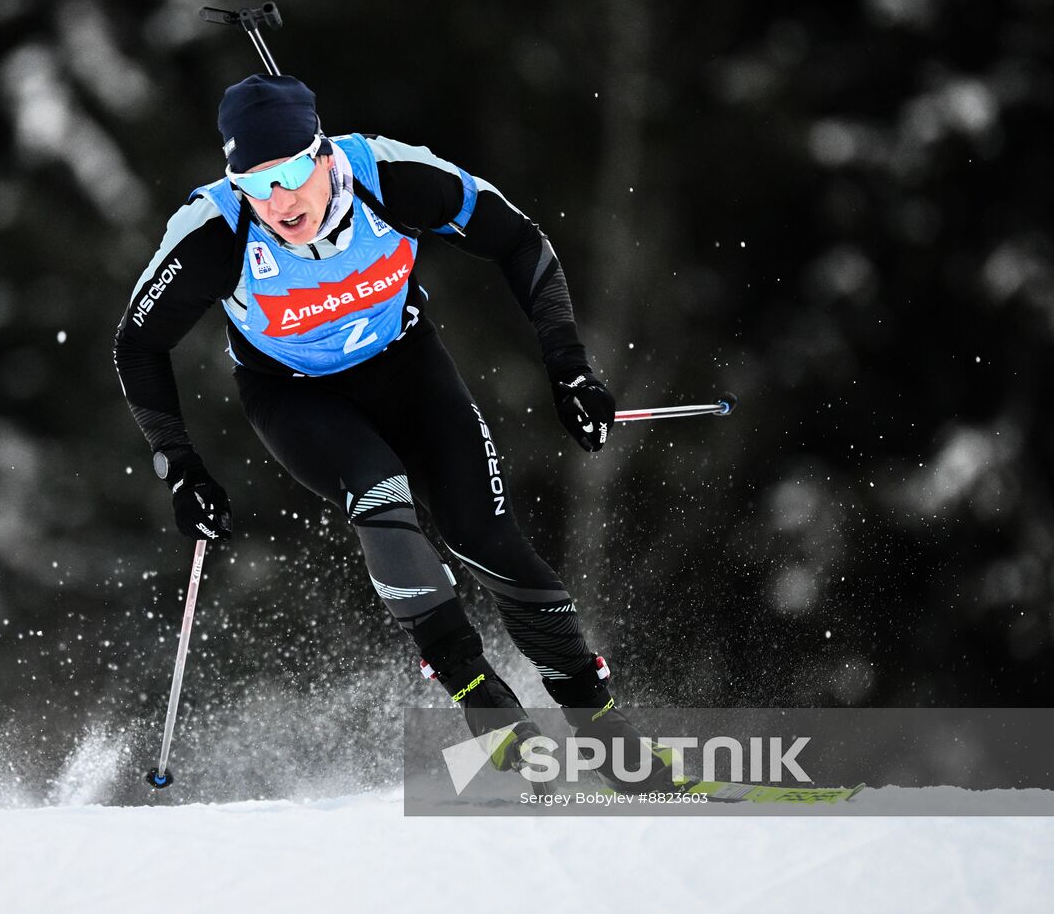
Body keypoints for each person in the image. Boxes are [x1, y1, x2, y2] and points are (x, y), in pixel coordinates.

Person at [114, 74, 678, 793]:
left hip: (407, 367)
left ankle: (607, 737)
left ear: (323, 154)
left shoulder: (393, 175)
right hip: (296, 398)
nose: (281, 201)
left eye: (291, 173)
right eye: (256, 184)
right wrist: (181, 465)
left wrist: (569, 367)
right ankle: (497, 726)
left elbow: (521, 241)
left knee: (484, 535)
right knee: (379, 494)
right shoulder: (212, 232)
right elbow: (136, 343)